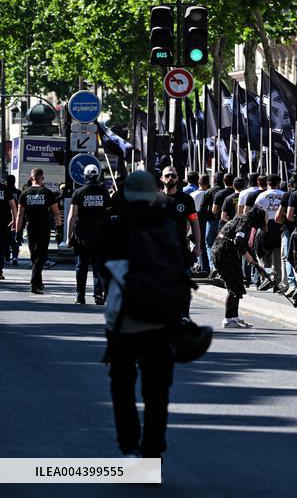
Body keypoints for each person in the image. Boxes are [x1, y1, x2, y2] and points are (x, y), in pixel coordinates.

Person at [100, 170, 189, 458]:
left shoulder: (115, 223)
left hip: (123, 317)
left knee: (122, 385)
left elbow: (102, 268)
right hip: (162, 319)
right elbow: (180, 269)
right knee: (157, 391)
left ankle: (129, 444)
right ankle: (153, 450)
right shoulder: (168, 225)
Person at [213, 206, 267, 328]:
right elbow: (238, 241)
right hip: (224, 251)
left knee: (237, 283)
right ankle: (228, 319)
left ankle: (234, 318)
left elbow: (243, 244)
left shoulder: (244, 220)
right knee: (233, 284)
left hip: (226, 250)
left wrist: (256, 263)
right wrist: (248, 257)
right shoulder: (245, 221)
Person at [66, 164, 111, 305]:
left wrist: (68, 237)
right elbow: (109, 214)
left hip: (81, 236)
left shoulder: (78, 193)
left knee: (81, 266)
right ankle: (98, 295)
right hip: (101, 236)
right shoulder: (104, 193)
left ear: (85, 175)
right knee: (98, 267)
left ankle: (80, 295)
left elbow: (72, 216)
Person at [15, 168, 61, 294]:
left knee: (34, 254)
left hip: (31, 227)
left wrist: (18, 232)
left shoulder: (25, 193)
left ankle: (38, 283)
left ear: (31, 178)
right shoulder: (47, 193)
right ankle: (34, 283)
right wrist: (59, 226)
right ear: (42, 178)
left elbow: (20, 214)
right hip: (44, 226)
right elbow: (56, 212)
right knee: (42, 255)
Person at [158, 166, 201, 269]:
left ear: (177, 178)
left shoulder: (186, 199)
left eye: (173, 176)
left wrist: (197, 245)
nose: (170, 178)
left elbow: (194, 223)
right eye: (167, 175)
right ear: (162, 178)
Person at [0, 172, 15, 280]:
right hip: (3, 223)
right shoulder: (5, 189)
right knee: (1, 248)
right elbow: (13, 206)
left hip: (3, 223)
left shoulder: (6, 189)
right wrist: (15, 219)